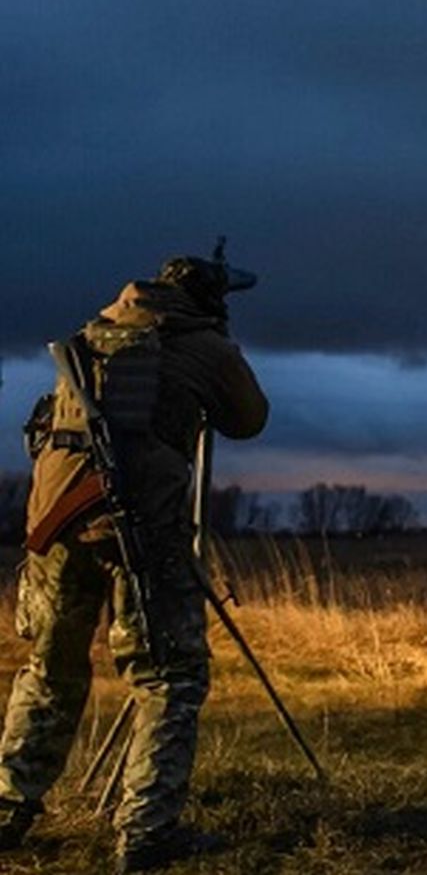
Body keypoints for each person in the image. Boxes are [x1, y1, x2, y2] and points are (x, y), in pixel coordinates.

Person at [0, 254, 267, 871]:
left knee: (50, 670)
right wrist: (222, 351)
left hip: (56, 526)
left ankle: (10, 808)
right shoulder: (204, 346)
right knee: (169, 678)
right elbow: (249, 420)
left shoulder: (94, 335)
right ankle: (145, 831)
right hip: (140, 534)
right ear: (210, 303)